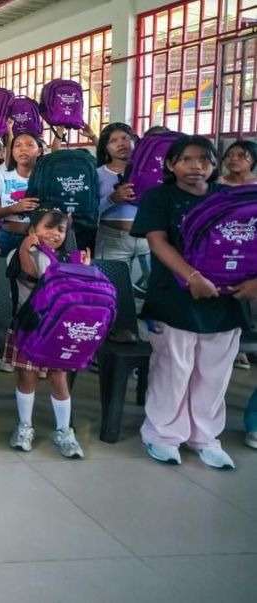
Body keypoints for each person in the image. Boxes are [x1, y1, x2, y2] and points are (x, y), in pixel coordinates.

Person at [130, 135, 255, 469]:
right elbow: (158, 242)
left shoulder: (231, 198)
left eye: (204, 159)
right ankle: (162, 435)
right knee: (174, 368)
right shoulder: (160, 197)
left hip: (227, 299)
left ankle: (204, 437)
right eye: (186, 159)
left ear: (215, 164)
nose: (195, 166)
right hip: (175, 297)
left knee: (214, 373)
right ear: (171, 165)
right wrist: (192, 277)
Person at [4, 209, 87, 458]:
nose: (55, 234)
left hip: (58, 329)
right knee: (27, 376)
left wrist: (84, 269)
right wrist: (24, 249)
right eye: (48, 227)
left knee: (58, 377)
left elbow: (77, 291)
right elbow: (31, 280)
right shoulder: (17, 254)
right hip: (29, 326)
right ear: (32, 230)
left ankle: (63, 430)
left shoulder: (68, 258)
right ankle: (24, 426)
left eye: (61, 230)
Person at [94, 123, 149, 302]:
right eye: (113, 141)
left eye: (125, 138)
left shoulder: (149, 172)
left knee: (158, 287)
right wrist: (112, 199)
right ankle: (119, 320)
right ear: (105, 148)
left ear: (134, 141)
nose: (121, 143)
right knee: (112, 290)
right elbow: (90, 211)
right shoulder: (97, 174)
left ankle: (147, 318)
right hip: (111, 238)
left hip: (149, 238)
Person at [219, 140, 257, 370]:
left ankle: (244, 345)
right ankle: (232, 348)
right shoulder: (217, 185)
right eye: (230, 155)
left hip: (251, 248)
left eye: (241, 155)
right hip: (222, 246)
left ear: (253, 160)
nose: (234, 159)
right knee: (226, 295)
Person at [0, 132, 43, 258]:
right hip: (7, 238)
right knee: (3, 270)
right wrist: (14, 208)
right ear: (12, 151)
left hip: (38, 238)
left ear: (39, 151)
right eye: (18, 145)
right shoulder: (2, 177)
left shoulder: (46, 177)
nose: (23, 149)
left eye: (29, 145)